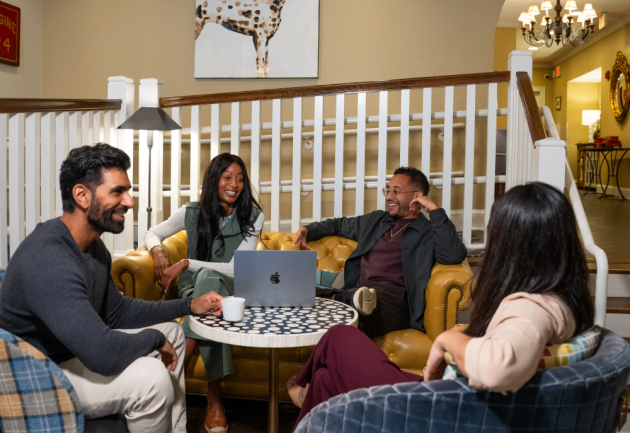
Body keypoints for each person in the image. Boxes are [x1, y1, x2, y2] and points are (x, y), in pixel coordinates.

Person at [287, 181, 594, 429]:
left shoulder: (532, 307)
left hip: (435, 408)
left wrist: (449, 338)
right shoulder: (560, 296)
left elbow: (498, 366)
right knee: (326, 380)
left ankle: (300, 385)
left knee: (340, 335)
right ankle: (310, 384)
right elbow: (340, 223)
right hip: (447, 391)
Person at [0, 144, 225, 433]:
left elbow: (116, 311)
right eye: (117, 192)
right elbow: (103, 354)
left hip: (69, 355)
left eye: (127, 191)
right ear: (82, 195)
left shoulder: (93, 248)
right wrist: (153, 338)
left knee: (174, 332)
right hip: (34, 376)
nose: (129, 202)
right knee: (152, 377)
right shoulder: (49, 258)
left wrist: (187, 305)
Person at [145, 152, 264, 433]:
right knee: (210, 297)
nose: (234, 184)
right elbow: (152, 232)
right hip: (193, 291)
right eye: (227, 177)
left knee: (211, 281)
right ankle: (214, 399)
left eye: (240, 178)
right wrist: (159, 252)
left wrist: (186, 262)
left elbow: (234, 270)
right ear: (214, 180)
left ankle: (173, 371)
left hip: (232, 289)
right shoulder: (192, 211)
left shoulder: (253, 217)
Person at [293, 166, 467, 338]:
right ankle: (343, 299)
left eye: (396, 191)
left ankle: (340, 299)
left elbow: (453, 255)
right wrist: (309, 230)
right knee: (299, 292)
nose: (389, 196)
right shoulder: (377, 220)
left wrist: (434, 210)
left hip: (395, 300)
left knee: (353, 315)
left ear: (417, 197)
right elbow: (339, 225)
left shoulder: (428, 231)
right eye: (388, 190)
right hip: (360, 294)